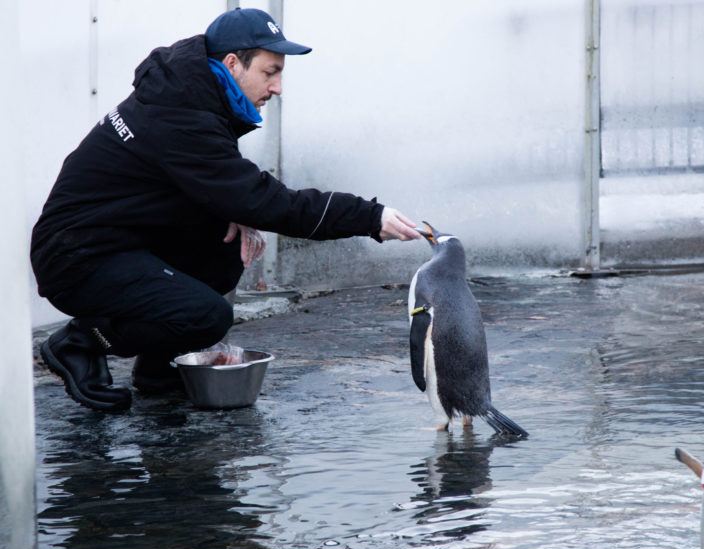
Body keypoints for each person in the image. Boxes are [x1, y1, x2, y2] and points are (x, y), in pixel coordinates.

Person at [30, 7, 421, 413]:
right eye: (270, 72)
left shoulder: (191, 93)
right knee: (206, 316)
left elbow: (201, 186)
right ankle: (82, 341)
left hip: (115, 238)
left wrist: (234, 208)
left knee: (221, 252)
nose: (278, 87)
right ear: (233, 63)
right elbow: (268, 201)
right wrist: (368, 217)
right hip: (76, 256)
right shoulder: (183, 115)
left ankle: (160, 370)